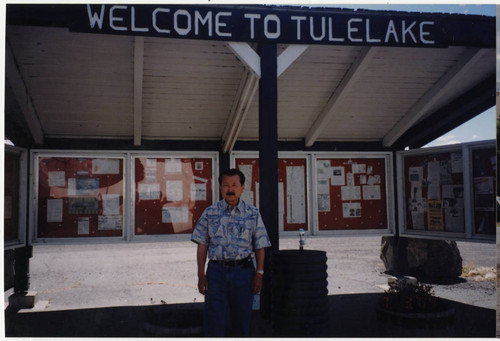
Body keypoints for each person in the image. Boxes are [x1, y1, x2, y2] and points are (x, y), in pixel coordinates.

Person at [191, 168, 271, 337]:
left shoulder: (253, 213)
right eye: (226, 185)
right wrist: (201, 275)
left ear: (242, 188)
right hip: (216, 272)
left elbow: (260, 245)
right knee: (214, 319)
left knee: (242, 319)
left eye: (234, 185)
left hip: (243, 273)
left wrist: (259, 273)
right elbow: (202, 245)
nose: (230, 189)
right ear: (220, 188)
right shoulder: (210, 213)